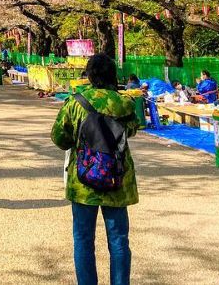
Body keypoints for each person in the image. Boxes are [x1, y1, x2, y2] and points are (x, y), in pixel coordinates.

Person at [51, 53, 138, 285]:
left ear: (89, 75)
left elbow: (59, 138)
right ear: (112, 74)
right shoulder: (125, 102)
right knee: (119, 240)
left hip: (83, 180)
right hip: (116, 179)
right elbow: (131, 130)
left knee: (83, 239)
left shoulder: (75, 102)